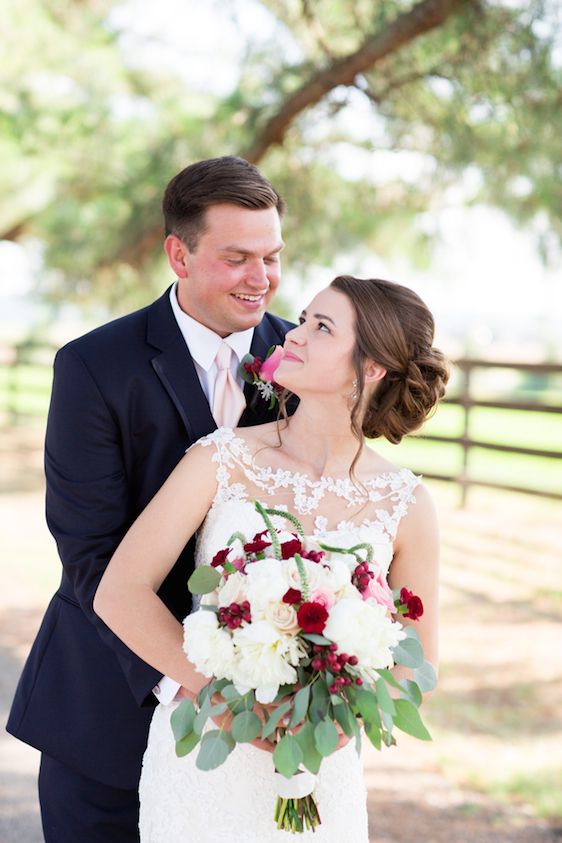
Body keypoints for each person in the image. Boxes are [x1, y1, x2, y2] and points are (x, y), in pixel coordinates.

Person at [93, 275, 449, 841]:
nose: (294, 334)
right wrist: (224, 701)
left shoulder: (405, 503)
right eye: (305, 318)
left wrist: (338, 723)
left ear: (373, 367)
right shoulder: (223, 458)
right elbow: (120, 591)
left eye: (322, 327)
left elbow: (418, 661)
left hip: (320, 767)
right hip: (206, 759)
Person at [6, 155, 292, 843]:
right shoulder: (94, 366)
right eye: (237, 258)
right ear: (178, 254)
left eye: (273, 257)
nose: (261, 279)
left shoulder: (300, 358)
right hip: (108, 708)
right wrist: (191, 685)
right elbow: (89, 552)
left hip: (266, 721)